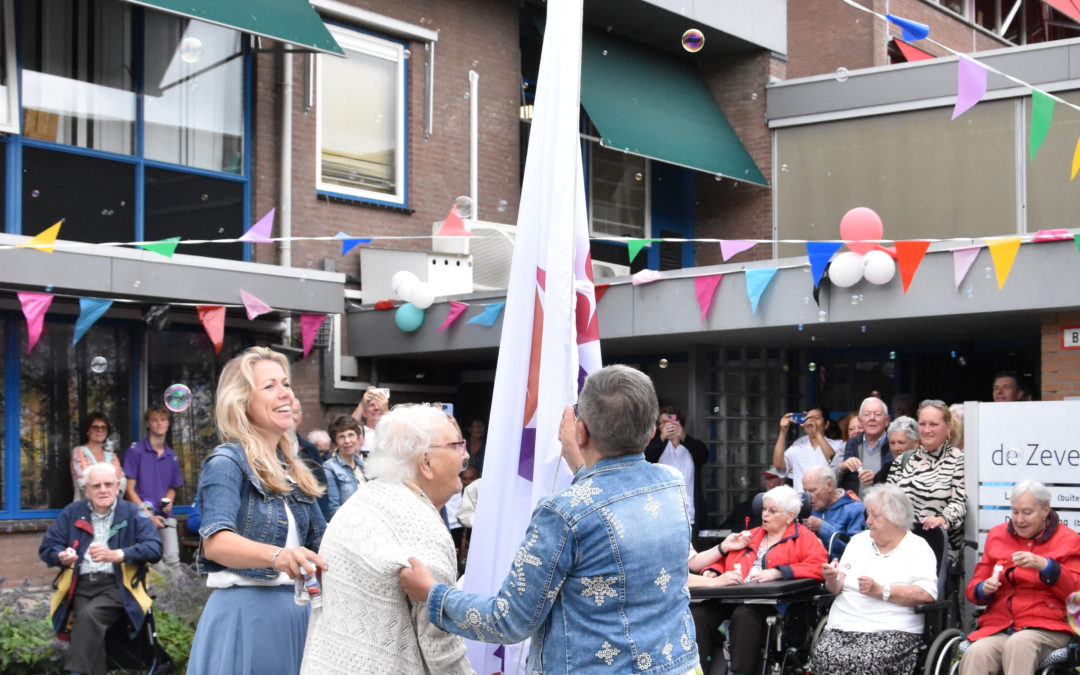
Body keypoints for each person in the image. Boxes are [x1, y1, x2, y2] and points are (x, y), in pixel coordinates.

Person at [399, 365, 700, 674]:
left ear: (580, 432)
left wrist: (433, 595)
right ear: (651, 432)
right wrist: (580, 460)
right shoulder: (671, 483)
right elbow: (615, 503)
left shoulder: (563, 512)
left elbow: (510, 620)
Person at [301, 405, 473, 674]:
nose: (466, 455)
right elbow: (441, 647)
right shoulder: (420, 525)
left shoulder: (360, 502)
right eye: (456, 446)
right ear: (426, 463)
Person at [187, 347, 328, 675]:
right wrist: (280, 556)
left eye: (287, 384)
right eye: (270, 386)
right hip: (247, 617)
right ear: (242, 403)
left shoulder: (294, 470)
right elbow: (216, 543)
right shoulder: (226, 462)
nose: (285, 394)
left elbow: (326, 542)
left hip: (300, 615)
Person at [40, 463, 163, 675]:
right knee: (86, 624)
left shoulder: (134, 512)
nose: (103, 490)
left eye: (108, 484)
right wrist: (61, 556)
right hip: (80, 585)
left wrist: (119, 554)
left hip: (118, 586)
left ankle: (75, 672)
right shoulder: (72, 512)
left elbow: (154, 548)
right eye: (96, 486)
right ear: (86, 490)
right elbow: (48, 548)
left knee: (87, 616)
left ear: (117, 487)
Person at [689, 484, 826, 673]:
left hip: (769, 602)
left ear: (789, 515)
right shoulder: (749, 535)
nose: (765, 515)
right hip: (732, 595)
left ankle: (741, 672)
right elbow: (724, 558)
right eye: (764, 509)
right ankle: (697, 670)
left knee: (744, 614)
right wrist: (713, 570)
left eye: (772, 511)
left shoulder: (804, 538)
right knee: (699, 615)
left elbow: (818, 567)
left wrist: (780, 572)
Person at [811, 484, 937, 675]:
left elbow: (926, 594)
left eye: (875, 516)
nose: (868, 521)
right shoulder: (858, 542)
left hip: (893, 630)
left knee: (867, 661)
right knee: (823, 655)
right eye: (867, 515)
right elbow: (836, 587)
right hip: (844, 626)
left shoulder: (917, 548)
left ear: (896, 518)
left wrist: (881, 591)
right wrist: (831, 578)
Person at [960, 480, 1080, 675]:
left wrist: (1047, 566)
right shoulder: (997, 535)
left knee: (1019, 643)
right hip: (1001, 624)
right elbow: (974, 589)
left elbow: (1076, 590)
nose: (1019, 519)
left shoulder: (1069, 540)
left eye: (1027, 512)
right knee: (977, 652)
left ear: (1045, 510)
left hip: (1046, 626)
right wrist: (983, 588)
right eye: (1015, 512)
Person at [887, 399, 966, 562]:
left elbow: (961, 502)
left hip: (936, 552)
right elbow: (886, 499)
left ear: (948, 427)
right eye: (922, 424)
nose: (927, 430)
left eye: (933, 424)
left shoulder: (959, 460)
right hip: (899, 549)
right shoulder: (904, 460)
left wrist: (943, 519)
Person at [123, 406, 183, 568]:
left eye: (163, 420)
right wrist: (148, 516)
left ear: (168, 423)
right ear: (148, 424)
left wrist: (169, 501)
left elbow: (172, 487)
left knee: (173, 560)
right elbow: (129, 490)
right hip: (142, 517)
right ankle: (158, 594)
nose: (159, 423)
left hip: (165, 517)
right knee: (153, 563)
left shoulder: (172, 456)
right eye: (154, 420)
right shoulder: (135, 451)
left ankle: (179, 594)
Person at [645, 405, 710, 538]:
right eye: (662, 423)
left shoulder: (691, 445)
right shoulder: (657, 446)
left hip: (689, 513)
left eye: (670, 422)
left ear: (678, 423)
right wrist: (662, 437)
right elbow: (647, 458)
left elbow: (703, 455)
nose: (666, 426)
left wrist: (683, 437)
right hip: (662, 514)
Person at [772, 405, 845, 492]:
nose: (811, 422)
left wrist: (817, 433)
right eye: (808, 418)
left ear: (826, 424)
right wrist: (783, 432)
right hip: (803, 502)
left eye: (816, 418)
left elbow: (835, 462)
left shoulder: (839, 445)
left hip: (829, 503)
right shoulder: (796, 448)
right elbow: (779, 466)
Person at [802, 465, 865, 558]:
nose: (808, 496)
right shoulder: (806, 509)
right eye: (805, 491)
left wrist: (823, 528)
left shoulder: (855, 509)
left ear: (829, 485)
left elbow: (858, 552)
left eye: (812, 490)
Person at [838, 397, 891, 493]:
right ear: (860, 420)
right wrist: (842, 467)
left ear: (887, 420)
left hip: (886, 505)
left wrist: (877, 478)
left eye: (877, 414)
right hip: (855, 506)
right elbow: (830, 481)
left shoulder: (894, 444)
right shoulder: (852, 443)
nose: (872, 418)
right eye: (866, 415)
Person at [70, 412, 126, 501]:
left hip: (111, 509)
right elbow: (84, 481)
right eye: (95, 427)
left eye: (103, 427)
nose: (100, 430)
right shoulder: (79, 452)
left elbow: (121, 482)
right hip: (85, 508)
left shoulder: (111, 455)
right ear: (87, 430)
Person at [322, 415, 366, 521]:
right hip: (347, 525)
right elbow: (334, 508)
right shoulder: (329, 468)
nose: (347, 441)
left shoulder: (363, 466)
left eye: (351, 435)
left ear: (358, 437)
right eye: (341, 437)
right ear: (335, 442)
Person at [292, 397, 330, 519]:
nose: (290, 416)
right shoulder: (267, 449)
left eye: (294, 412)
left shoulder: (310, 449)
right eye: (285, 411)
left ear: (300, 417)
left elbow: (320, 489)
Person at [718, 470, 785, 531]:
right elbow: (726, 529)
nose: (766, 482)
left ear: (782, 480)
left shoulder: (790, 504)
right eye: (766, 479)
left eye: (770, 479)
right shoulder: (749, 505)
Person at [874, 416, 919, 484]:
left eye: (901, 443)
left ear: (915, 443)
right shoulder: (884, 473)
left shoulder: (927, 470)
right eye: (892, 443)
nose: (896, 448)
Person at [351, 386, 389, 456]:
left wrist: (386, 411)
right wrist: (362, 404)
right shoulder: (360, 433)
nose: (376, 408)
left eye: (379, 405)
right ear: (364, 413)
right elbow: (347, 427)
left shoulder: (390, 431)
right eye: (372, 405)